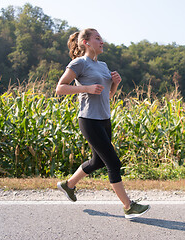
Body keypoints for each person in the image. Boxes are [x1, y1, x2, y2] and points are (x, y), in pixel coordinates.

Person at [56, 28, 150, 219]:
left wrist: (115, 83)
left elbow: (107, 96)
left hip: (104, 119)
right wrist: (85, 88)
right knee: (113, 162)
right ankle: (128, 206)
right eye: (97, 38)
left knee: (97, 161)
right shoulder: (79, 63)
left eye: (101, 38)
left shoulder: (103, 66)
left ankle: (68, 185)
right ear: (86, 43)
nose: (102, 42)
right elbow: (60, 88)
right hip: (89, 119)